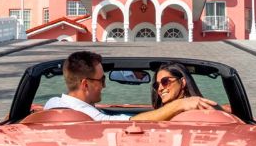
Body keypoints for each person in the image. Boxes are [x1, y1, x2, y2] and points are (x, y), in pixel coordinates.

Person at [43, 51, 216, 122]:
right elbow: (126, 122)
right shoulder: (87, 117)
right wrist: (180, 104)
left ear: (183, 81)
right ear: (85, 84)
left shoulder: (50, 106)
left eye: (165, 81)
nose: (104, 86)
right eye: (102, 80)